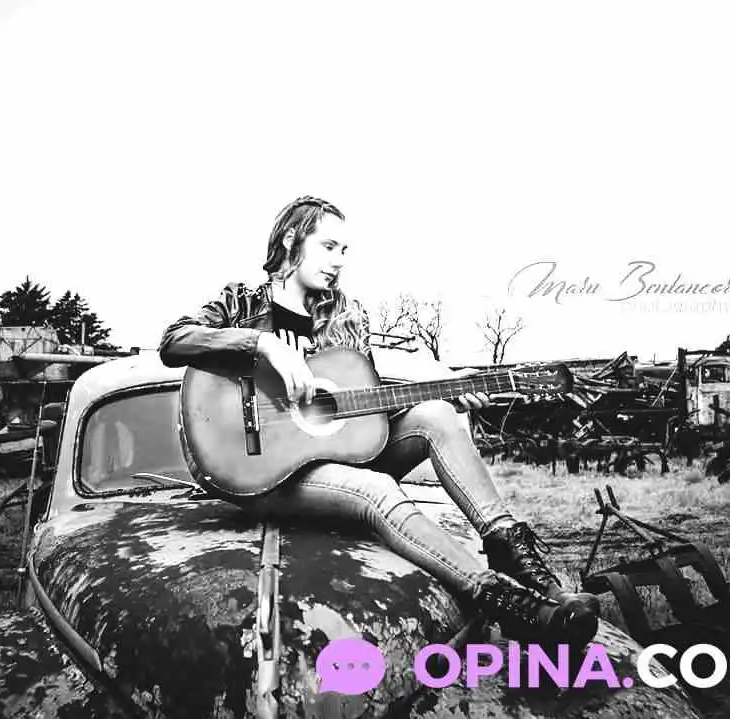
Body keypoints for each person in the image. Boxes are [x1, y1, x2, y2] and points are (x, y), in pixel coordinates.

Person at [159, 196, 599, 650]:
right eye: (328, 246)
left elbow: (361, 414)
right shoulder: (241, 302)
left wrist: (451, 391)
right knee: (378, 489)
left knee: (437, 414)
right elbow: (174, 341)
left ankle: (535, 578)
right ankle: (508, 605)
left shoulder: (345, 316)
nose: (339, 261)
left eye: (344, 251)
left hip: (335, 462)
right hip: (263, 475)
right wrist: (263, 345)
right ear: (291, 238)